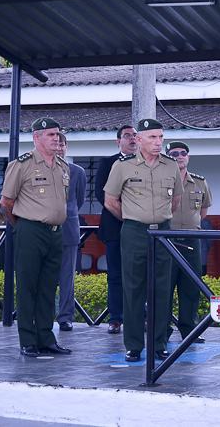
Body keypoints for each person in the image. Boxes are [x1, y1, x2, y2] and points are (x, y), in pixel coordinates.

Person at [103, 118, 183, 362]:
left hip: (162, 231)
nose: (158, 142)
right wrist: (132, 219)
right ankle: (134, 345)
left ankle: (159, 343)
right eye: (152, 137)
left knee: (162, 289)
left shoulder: (170, 166)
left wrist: (158, 218)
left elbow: (176, 200)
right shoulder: (122, 166)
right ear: (138, 140)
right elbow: (110, 202)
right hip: (134, 231)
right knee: (133, 288)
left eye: (160, 137)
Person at [0, 117, 71, 358]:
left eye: (57, 134)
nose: (56, 138)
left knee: (49, 287)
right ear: (36, 137)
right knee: (28, 286)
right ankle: (28, 340)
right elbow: (6, 202)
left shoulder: (62, 166)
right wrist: (22, 226)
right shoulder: (22, 165)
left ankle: (46, 338)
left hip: (55, 233)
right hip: (30, 231)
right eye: (50, 134)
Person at [164, 141, 212, 344]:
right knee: (164, 287)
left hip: (192, 240)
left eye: (183, 153)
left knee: (191, 288)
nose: (179, 156)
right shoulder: (162, 180)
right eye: (174, 153)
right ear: (168, 157)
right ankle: (162, 331)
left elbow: (203, 211)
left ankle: (189, 330)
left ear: (188, 157)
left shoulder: (200, 182)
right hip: (167, 240)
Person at [95, 124, 137, 334]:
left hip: (140, 229)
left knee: (140, 274)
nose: (132, 139)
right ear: (118, 140)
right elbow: (101, 195)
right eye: (127, 136)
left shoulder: (145, 162)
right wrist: (126, 215)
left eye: (134, 136)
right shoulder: (108, 163)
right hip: (115, 227)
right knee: (116, 275)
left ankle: (141, 316)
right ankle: (116, 318)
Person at [56, 133, 87, 332]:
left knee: (67, 277)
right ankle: (41, 317)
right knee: (44, 276)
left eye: (62, 144)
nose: (59, 148)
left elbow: (79, 199)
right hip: (44, 230)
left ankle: (65, 317)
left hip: (68, 228)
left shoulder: (77, 171)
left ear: (67, 147)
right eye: (55, 144)